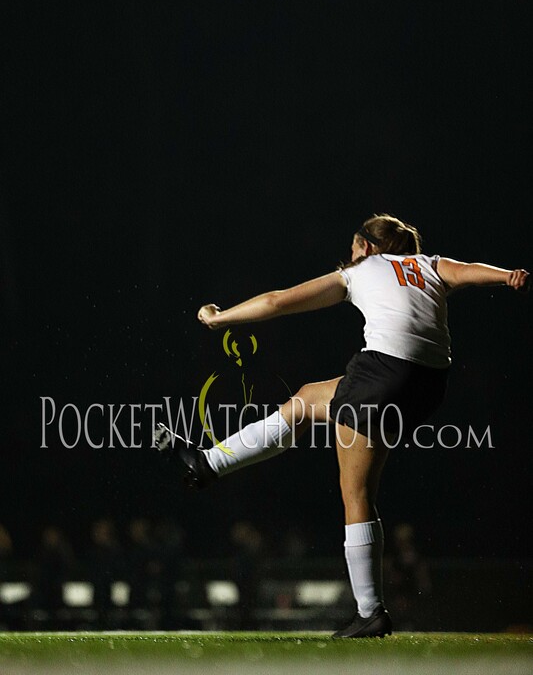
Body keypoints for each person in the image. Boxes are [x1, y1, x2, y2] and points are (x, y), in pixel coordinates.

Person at [154, 213, 529, 638]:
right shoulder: (429, 264)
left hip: (382, 374)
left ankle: (370, 612)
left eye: (353, 247)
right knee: (306, 400)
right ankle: (207, 463)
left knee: (356, 494)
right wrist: (509, 277)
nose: (349, 256)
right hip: (427, 387)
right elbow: (470, 273)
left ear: (367, 246)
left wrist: (219, 319)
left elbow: (278, 300)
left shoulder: (362, 269)